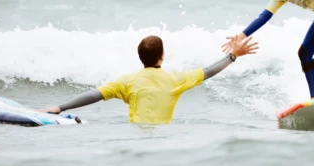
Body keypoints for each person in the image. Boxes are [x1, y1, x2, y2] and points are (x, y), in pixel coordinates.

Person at [37, 35, 258, 124]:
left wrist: (58, 107)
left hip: (136, 136)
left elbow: (95, 95)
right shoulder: (175, 79)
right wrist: (233, 55)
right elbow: (209, 71)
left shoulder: (128, 81)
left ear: (140, 58)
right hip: (162, 139)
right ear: (162, 56)